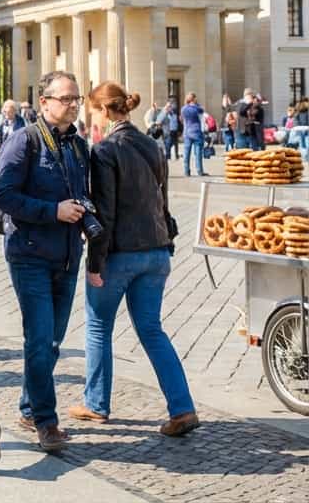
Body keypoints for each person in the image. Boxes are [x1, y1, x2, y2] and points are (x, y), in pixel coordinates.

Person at [70, 81, 199, 437]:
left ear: (104, 111)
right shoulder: (152, 144)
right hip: (156, 250)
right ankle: (182, 407)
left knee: (98, 325)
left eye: (93, 111)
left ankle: (96, 404)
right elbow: (164, 202)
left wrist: (95, 263)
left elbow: (106, 213)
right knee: (152, 330)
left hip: (122, 254)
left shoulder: (105, 149)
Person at [0, 70, 89, 452]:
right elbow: (4, 197)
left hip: (67, 256)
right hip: (29, 255)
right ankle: (46, 423)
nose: (72, 105)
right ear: (44, 101)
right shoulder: (24, 141)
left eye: (76, 99)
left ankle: (29, 408)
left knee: (53, 341)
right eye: (65, 99)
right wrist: (53, 211)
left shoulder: (79, 146)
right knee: (40, 338)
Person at [180, 92, 205, 176]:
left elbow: (182, 119)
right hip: (197, 132)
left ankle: (186, 171)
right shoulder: (196, 108)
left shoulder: (183, 109)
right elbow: (202, 111)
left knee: (186, 153)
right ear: (194, 99)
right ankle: (199, 171)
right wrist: (196, 104)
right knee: (198, 153)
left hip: (187, 133)